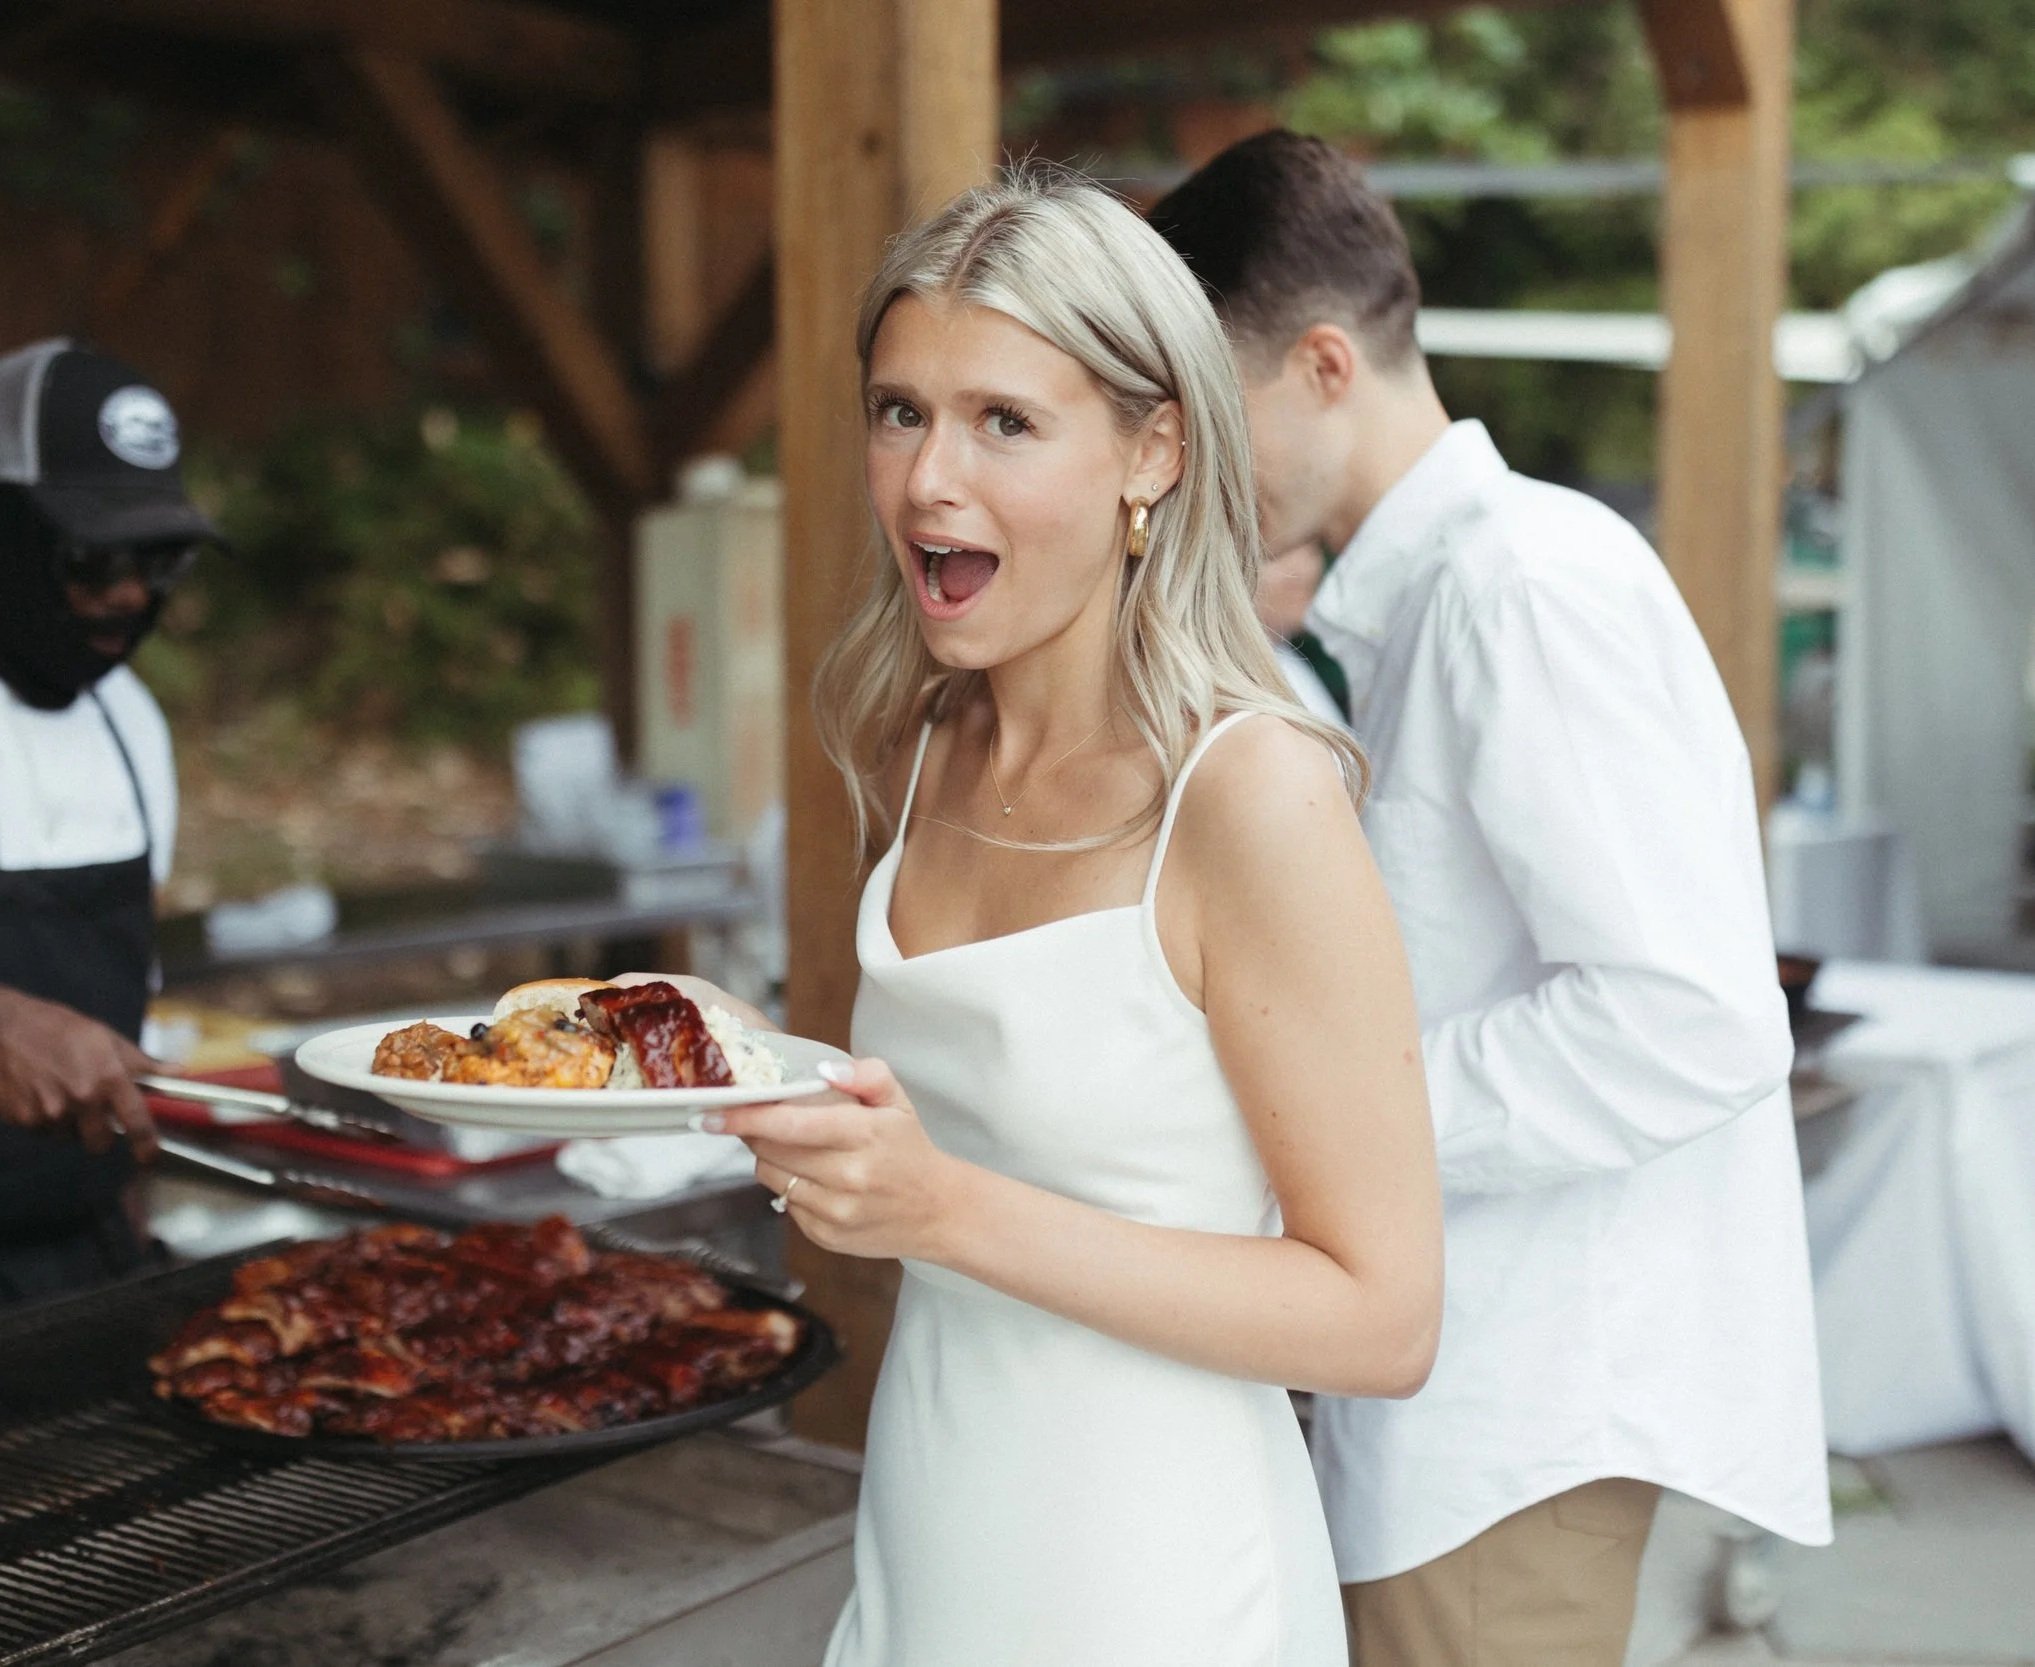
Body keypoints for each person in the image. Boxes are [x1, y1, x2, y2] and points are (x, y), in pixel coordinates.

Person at [652, 170, 1444, 1666]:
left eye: (1003, 421)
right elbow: (1000, 1115)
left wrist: (938, 1204)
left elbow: (1381, 1317)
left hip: (1151, 1572)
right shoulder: (925, 739)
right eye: (900, 411)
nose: (927, 481)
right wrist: (761, 1073)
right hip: (933, 1520)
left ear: (1152, 448)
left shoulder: (1251, 792)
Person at [1151, 130, 1832, 1666]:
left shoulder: (1520, 587)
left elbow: (1687, 1016)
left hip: (1513, 1415)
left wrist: (1331, 1126)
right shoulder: (1431, 594)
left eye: (1204, 412)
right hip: (1459, 1393)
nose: (1176, 461)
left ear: (1323, 364)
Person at [0, 338, 214, 1306]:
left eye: (158, 556)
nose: (130, 594)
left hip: (76, 1266)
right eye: (89, 558)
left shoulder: (129, 718)